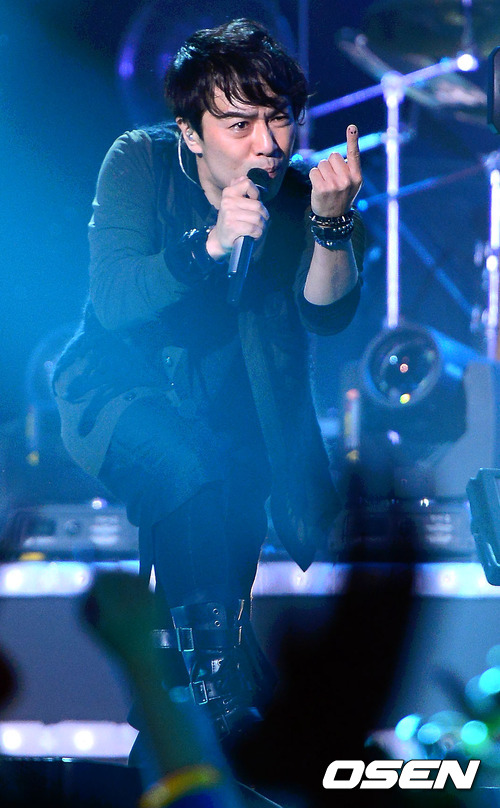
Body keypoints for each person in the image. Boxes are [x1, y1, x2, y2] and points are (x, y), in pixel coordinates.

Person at [52, 17, 364, 759]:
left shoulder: (304, 194)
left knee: (222, 556)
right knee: (184, 470)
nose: (267, 144)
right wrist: (211, 244)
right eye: (239, 124)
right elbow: (114, 298)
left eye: (279, 119)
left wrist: (330, 226)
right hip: (117, 391)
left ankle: (181, 723)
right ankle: (222, 701)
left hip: (237, 411)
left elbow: (328, 315)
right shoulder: (141, 162)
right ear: (191, 134)